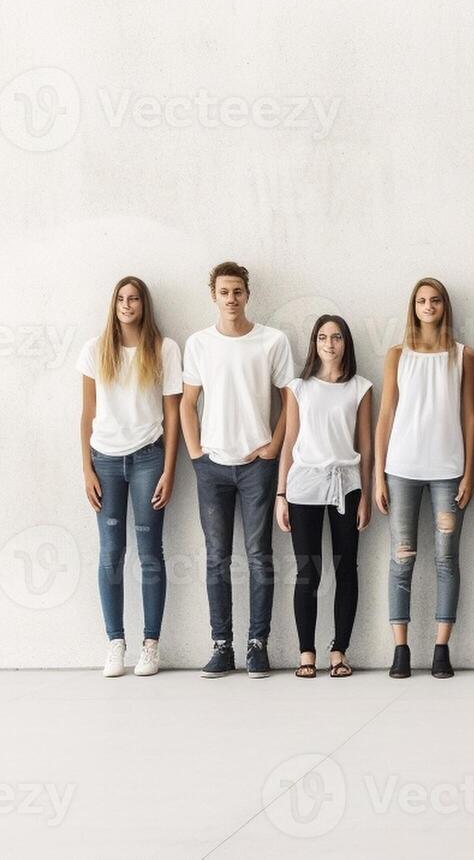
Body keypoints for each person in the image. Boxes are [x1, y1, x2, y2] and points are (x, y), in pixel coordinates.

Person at [182, 261, 295, 679]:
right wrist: (196, 454)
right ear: (214, 295)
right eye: (224, 292)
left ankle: (257, 644)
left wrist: (272, 447)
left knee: (259, 556)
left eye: (238, 292)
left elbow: (291, 399)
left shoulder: (272, 341)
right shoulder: (199, 343)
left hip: (257, 467)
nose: (231, 299)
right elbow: (186, 403)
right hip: (212, 466)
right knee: (216, 559)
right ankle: (221, 645)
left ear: (248, 294)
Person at [375, 277, 474, 680]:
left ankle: (440, 648)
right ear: (413, 307)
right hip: (401, 468)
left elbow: (471, 416)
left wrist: (471, 470)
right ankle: (400, 649)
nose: (428, 306)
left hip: (449, 472)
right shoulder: (396, 354)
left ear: (444, 306)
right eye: (421, 300)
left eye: (435, 300)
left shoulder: (463, 355)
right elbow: (385, 416)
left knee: (446, 559)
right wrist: (379, 475)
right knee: (401, 559)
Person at [79, 276, 182, 678]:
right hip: (104, 460)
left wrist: (170, 470)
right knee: (110, 554)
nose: (127, 304)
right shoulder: (94, 350)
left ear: (144, 304)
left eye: (134, 298)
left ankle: (150, 645)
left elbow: (173, 414)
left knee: (150, 553)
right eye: (121, 298)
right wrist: (86, 467)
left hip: (148, 459)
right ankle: (115, 643)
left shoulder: (164, 348)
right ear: (114, 304)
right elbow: (85, 415)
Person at [275, 315, 373, 679]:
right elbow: (289, 442)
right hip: (304, 486)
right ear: (314, 344)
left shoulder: (361, 388)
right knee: (308, 572)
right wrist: (281, 494)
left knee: (346, 569)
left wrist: (364, 495)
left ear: (346, 343)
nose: (329, 344)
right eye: (321, 338)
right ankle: (306, 652)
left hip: (346, 485)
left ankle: (339, 650)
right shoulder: (299, 388)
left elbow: (366, 445)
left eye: (336, 338)